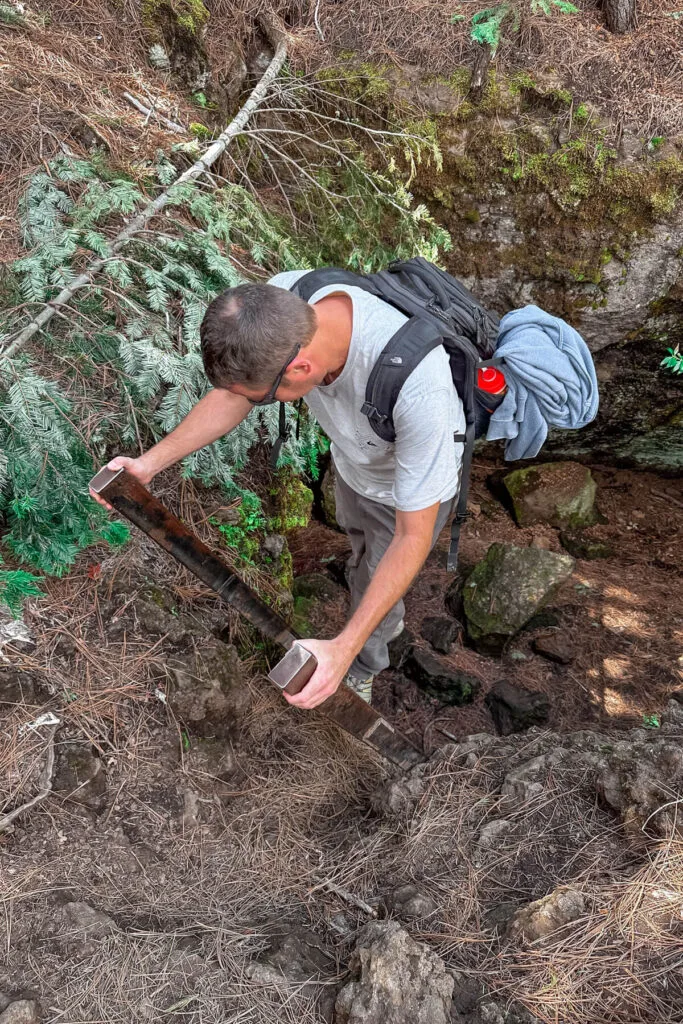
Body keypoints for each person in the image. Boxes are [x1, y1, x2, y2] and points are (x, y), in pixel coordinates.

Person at [91, 271, 465, 709]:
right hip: (356, 466)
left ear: (300, 368)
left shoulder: (423, 391)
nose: (258, 403)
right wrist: (148, 464)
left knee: (377, 574)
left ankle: (364, 664)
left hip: (407, 494)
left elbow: (411, 536)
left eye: (265, 398)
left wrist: (341, 651)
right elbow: (236, 395)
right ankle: (380, 610)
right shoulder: (284, 301)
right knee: (362, 552)